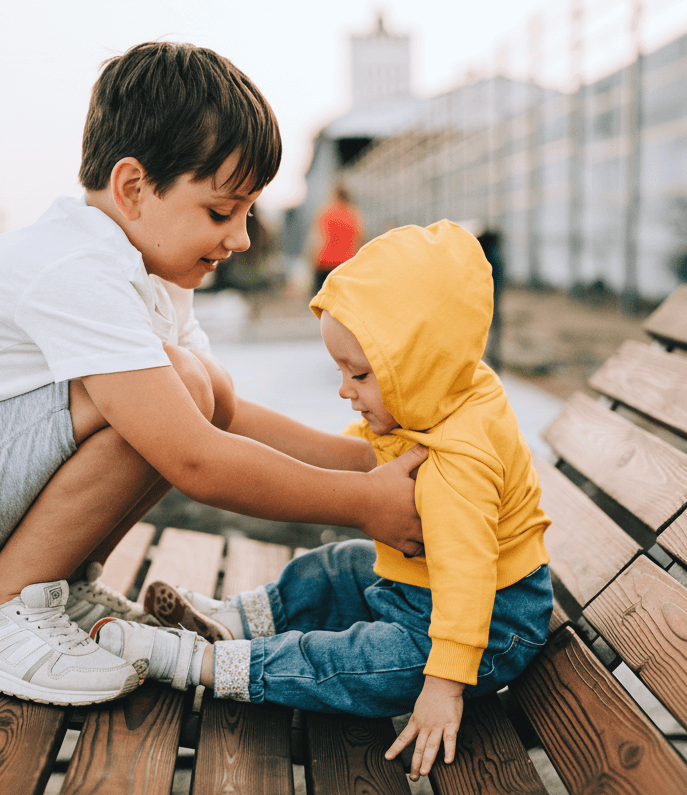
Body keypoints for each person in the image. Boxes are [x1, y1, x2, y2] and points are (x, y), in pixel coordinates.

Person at [0, 42, 428, 708]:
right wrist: (363, 504)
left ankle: (57, 590)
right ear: (133, 188)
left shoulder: (146, 272)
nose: (242, 238)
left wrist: (373, 461)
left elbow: (225, 411)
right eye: (221, 212)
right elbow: (194, 458)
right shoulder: (76, 267)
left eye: (248, 213)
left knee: (190, 386)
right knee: (174, 392)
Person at [93, 220, 553, 781]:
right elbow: (358, 454)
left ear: (418, 366)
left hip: (487, 626)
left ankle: (207, 662)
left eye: (359, 374)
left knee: (353, 662)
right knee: (335, 569)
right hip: (425, 585)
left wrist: (443, 685)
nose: (344, 390)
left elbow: (468, 572)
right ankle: (233, 619)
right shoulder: (442, 389)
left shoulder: (462, 459)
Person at [310, 185, 363, 295]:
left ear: (335, 195)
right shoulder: (354, 216)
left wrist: (313, 261)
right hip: (345, 266)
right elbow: (360, 241)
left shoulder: (325, 213)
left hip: (324, 265)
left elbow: (319, 240)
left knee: (322, 304)